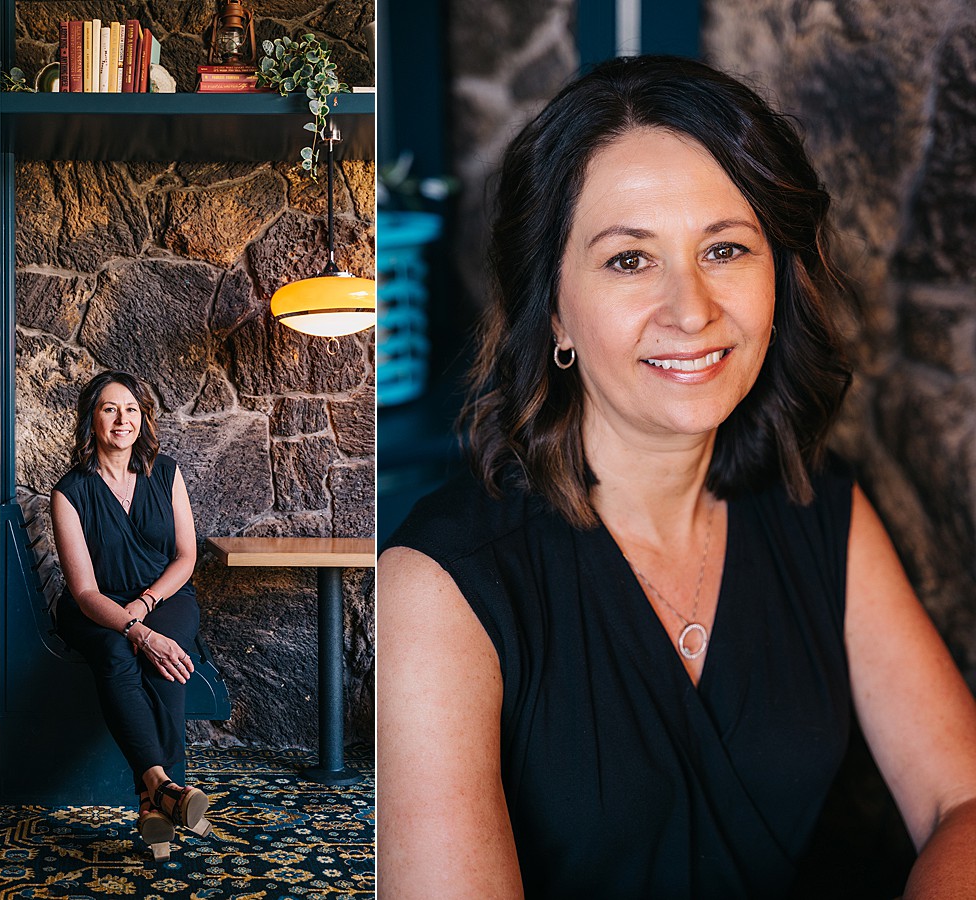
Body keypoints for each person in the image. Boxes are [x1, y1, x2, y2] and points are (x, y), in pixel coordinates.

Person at [377, 55, 976, 898]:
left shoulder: (817, 504)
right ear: (554, 308)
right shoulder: (440, 585)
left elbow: (964, 797)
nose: (691, 310)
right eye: (629, 260)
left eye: (725, 248)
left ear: (780, 277)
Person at [51, 370, 211, 859]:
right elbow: (82, 591)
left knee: (168, 660)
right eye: (109, 409)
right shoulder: (69, 492)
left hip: (164, 597)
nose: (123, 420)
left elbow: (186, 557)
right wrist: (133, 629)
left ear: (143, 419)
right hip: (96, 608)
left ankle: (152, 800)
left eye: (132, 410)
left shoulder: (167, 472)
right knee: (118, 653)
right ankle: (165, 790)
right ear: (91, 420)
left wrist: (144, 611)